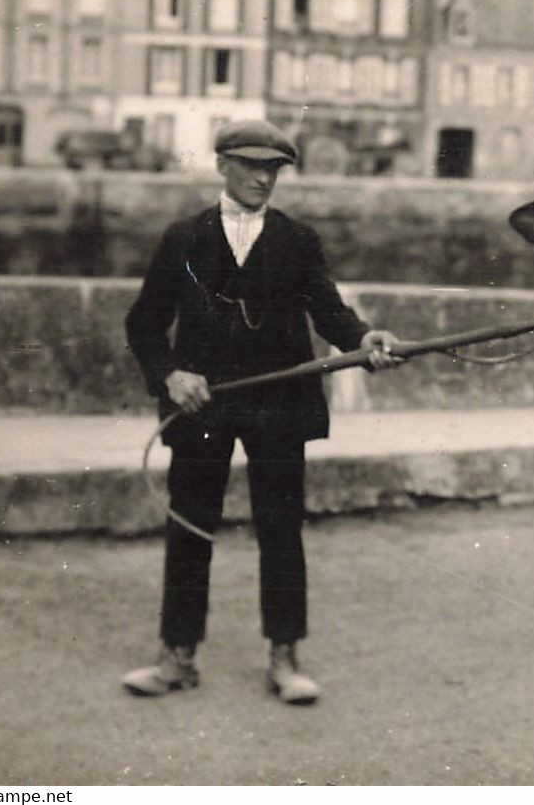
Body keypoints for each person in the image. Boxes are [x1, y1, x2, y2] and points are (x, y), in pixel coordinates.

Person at [121, 119, 402, 705]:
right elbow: (144, 323)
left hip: (279, 406)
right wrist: (172, 375)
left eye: (273, 168)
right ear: (222, 165)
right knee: (191, 526)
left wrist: (365, 339)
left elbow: (330, 312)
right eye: (251, 165)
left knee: (281, 531)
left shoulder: (298, 240)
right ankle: (177, 654)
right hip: (202, 406)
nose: (262, 178)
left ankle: (284, 655)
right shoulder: (183, 237)